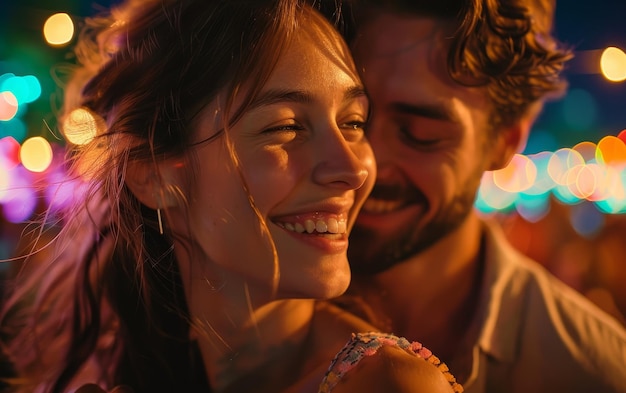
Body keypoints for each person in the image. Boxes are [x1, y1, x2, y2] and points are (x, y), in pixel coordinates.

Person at [0, 0, 463, 392]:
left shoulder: (387, 383)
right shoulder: (116, 363)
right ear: (154, 175)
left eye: (353, 122)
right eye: (286, 127)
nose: (353, 169)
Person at [336, 0, 626, 392]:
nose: (363, 163)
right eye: (351, 120)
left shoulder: (593, 371)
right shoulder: (245, 312)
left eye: (420, 134)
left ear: (504, 141)